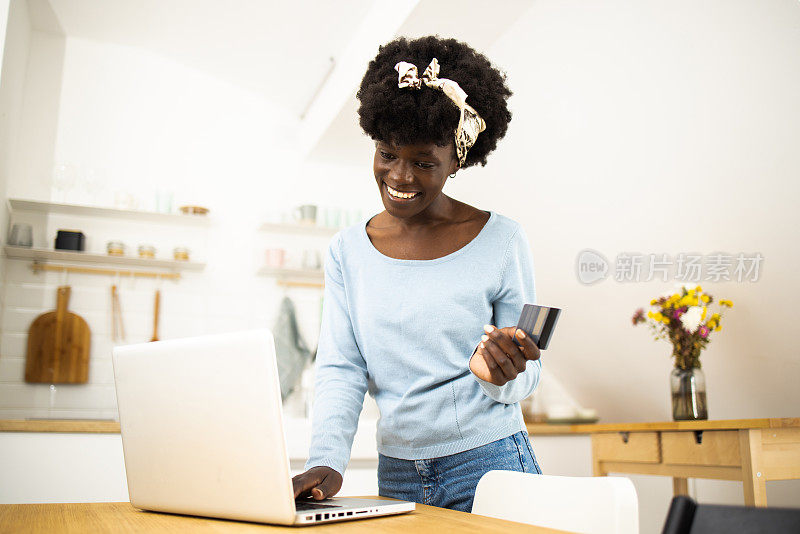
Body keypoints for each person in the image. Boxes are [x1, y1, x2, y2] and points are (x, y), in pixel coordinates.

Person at [292, 35, 542, 513]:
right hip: (397, 474)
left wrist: (502, 376)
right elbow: (342, 367)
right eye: (388, 154)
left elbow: (527, 375)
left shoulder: (502, 241)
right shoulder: (347, 251)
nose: (400, 177)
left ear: (456, 160)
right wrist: (328, 459)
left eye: (424, 163)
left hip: (492, 466)